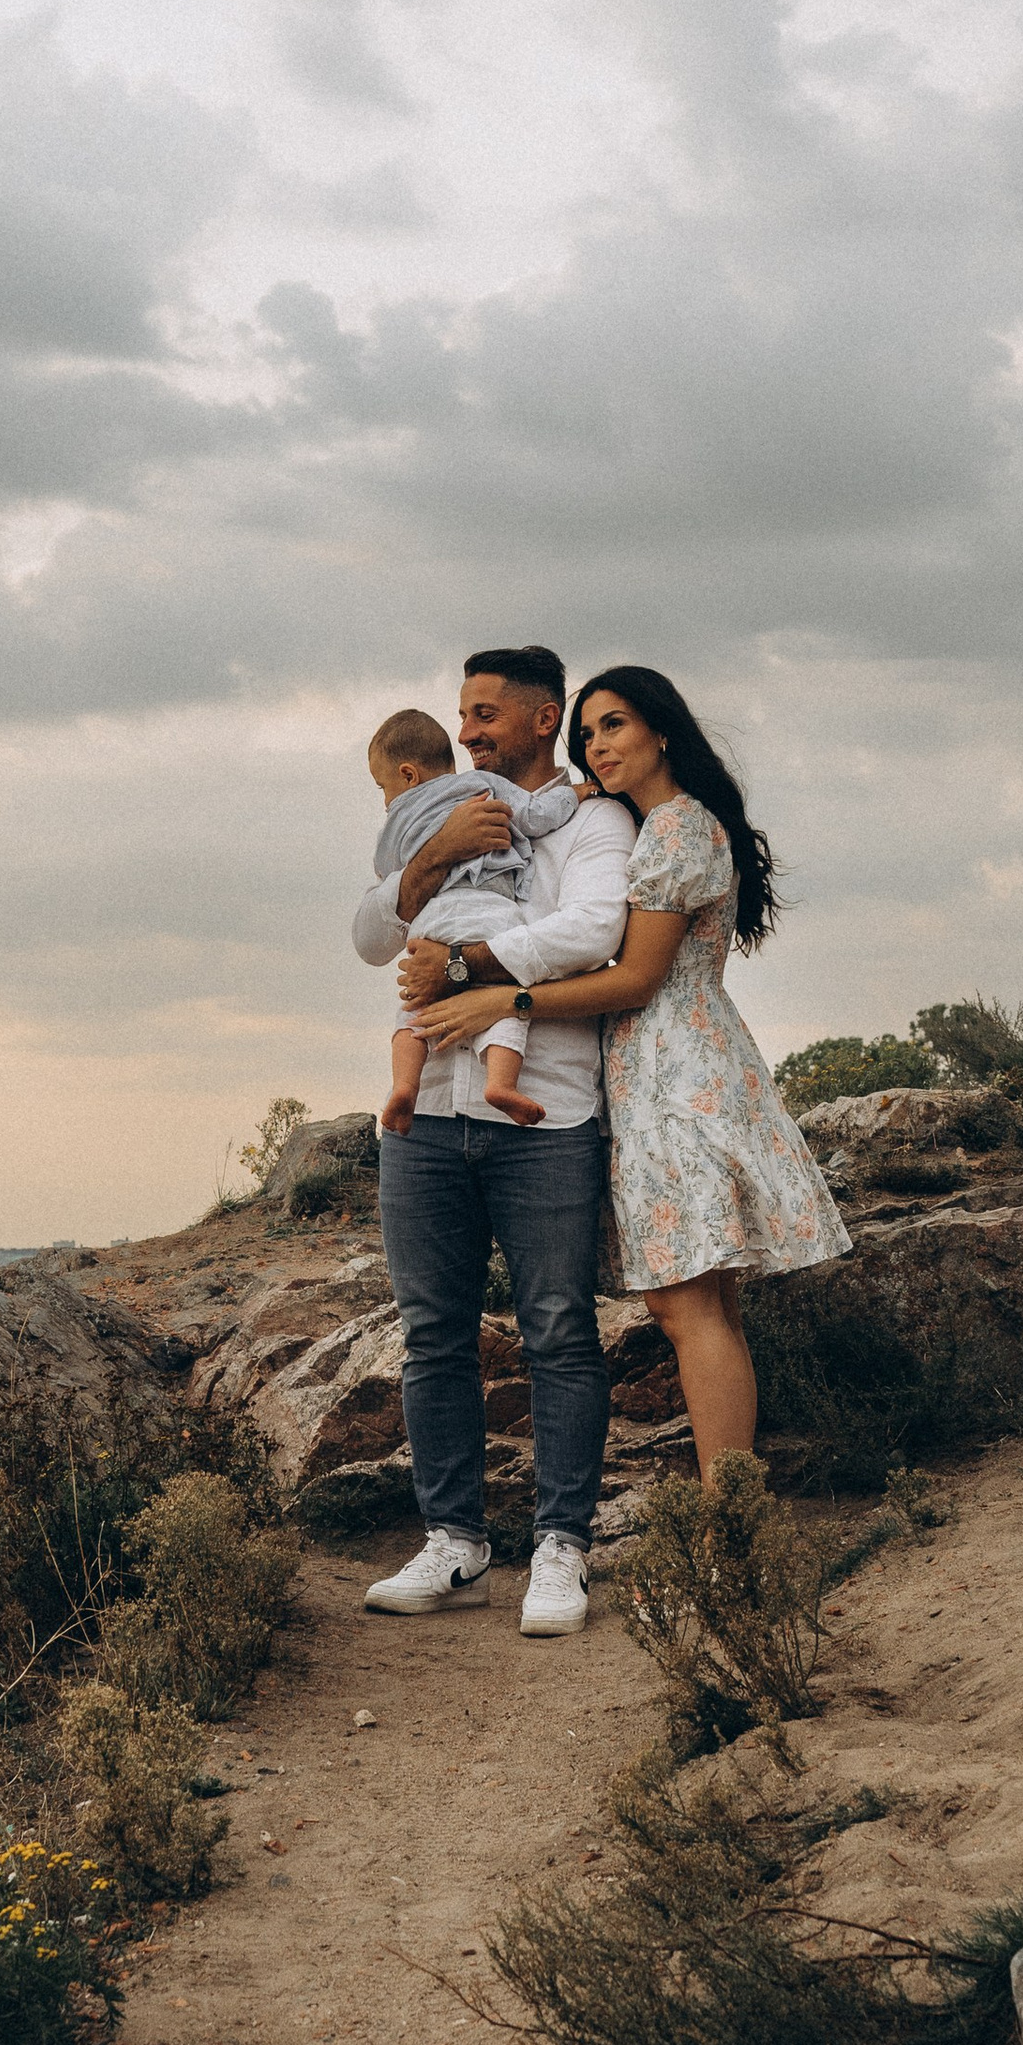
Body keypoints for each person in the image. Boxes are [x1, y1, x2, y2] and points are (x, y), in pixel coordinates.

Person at [413, 664, 847, 1472]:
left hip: (676, 1077)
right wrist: (579, 796)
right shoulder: (667, 825)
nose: (596, 746)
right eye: (587, 734)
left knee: (686, 1309)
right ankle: (733, 1506)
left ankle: (726, 1518)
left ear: (663, 730)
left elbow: (639, 978)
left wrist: (508, 1000)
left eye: (613, 725)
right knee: (705, 1304)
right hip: (677, 1066)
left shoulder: (676, 831)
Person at [350, 647, 637, 1639]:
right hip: (425, 1111)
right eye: (462, 713)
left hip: (544, 1113)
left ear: (542, 717)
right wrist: (434, 857)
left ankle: (561, 1546)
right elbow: (370, 936)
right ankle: (455, 1544)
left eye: (483, 714)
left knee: (558, 1329)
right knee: (432, 1335)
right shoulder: (437, 813)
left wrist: (469, 967)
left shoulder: (593, 820)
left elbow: (594, 930)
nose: (465, 731)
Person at [366, 707, 582, 1135]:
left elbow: (385, 874)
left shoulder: (394, 822)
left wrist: (422, 858)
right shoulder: (481, 787)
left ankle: (405, 1086)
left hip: (431, 922)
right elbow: (537, 815)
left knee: (414, 1007)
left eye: (382, 787)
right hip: (491, 913)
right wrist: (577, 794)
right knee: (503, 1005)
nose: (386, 799)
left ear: (408, 775)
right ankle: (500, 1084)